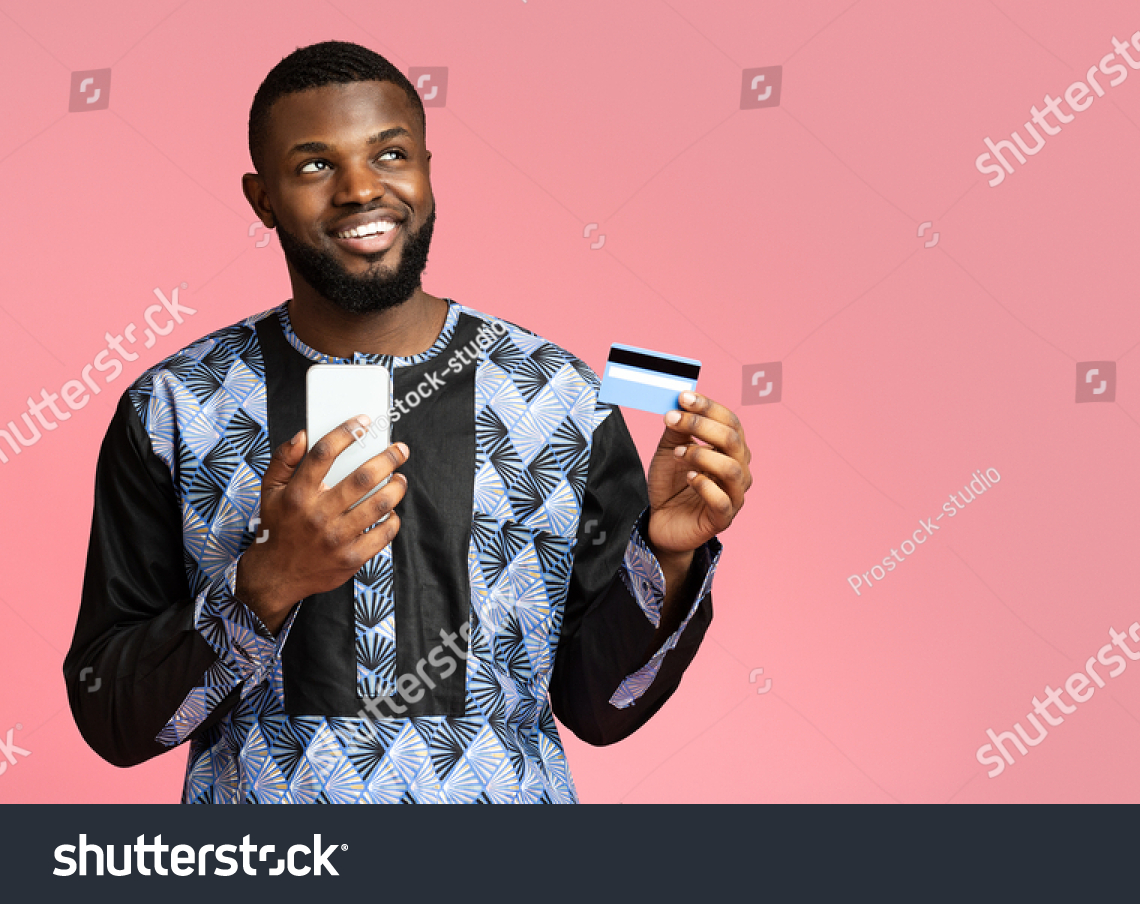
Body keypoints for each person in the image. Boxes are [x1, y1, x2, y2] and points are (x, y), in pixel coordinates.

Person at [61, 40, 753, 803]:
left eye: (389, 153)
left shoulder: (558, 397)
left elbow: (600, 704)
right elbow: (111, 718)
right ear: (262, 198)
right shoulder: (176, 409)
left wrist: (668, 556)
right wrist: (264, 583)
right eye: (316, 165)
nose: (361, 188)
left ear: (427, 169)